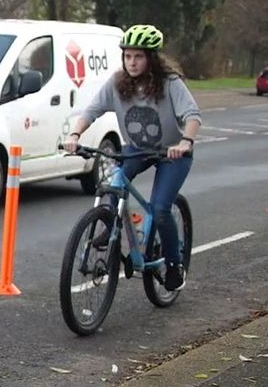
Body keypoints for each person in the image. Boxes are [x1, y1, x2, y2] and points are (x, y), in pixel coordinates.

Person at [63, 24, 201, 292]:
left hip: (172, 153)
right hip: (137, 149)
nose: (132, 62)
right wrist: (75, 134)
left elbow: (192, 116)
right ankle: (110, 221)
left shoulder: (170, 83)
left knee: (160, 208)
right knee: (114, 180)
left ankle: (174, 265)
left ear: (151, 58)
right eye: (127, 56)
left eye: (138, 56)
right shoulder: (117, 83)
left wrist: (185, 141)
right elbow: (92, 110)